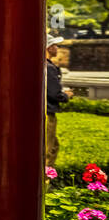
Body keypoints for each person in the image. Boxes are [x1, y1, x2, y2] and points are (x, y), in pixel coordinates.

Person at [47, 34, 69, 166]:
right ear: (49, 47)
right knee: (49, 149)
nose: (57, 48)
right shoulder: (48, 68)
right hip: (48, 113)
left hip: (46, 111)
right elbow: (55, 94)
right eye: (55, 45)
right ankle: (45, 181)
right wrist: (66, 95)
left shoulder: (44, 66)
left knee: (52, 146)